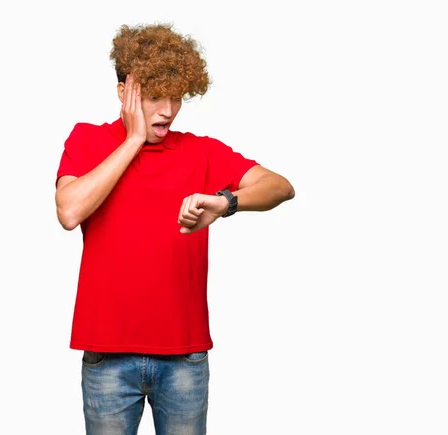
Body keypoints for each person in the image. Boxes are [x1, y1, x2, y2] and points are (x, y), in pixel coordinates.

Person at [54, 23, 295, 435]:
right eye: (153, 98)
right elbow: (70, 211)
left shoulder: (200, 151)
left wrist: (225, 203)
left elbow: (280, 186)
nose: (167, 110)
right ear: (124, 94)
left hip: (184, 358)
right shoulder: (88, 140)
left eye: (176, 97)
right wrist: (132, 140)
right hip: (108, 358)